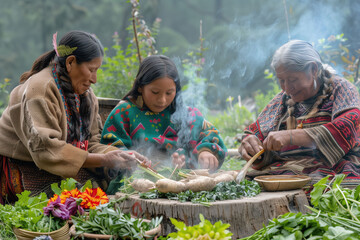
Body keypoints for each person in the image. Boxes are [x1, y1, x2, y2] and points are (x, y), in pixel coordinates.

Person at [0, 30, 146, 204]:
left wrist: (120, 155)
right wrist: (104, 159)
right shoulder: (40, 89)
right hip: (26, 166)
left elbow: (91, 141)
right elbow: (46, 150)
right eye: (91, 70)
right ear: (70, 63)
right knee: (71, 200)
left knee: (102, 189)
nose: (95, 79)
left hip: (60, 164)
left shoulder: (86, 95)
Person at [238, 40, 360, 188]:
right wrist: (250, 144)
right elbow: (255, 133)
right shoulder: (282, 100)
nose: (287, 89)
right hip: (289, 169)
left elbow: (346, 128)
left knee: (330, 185)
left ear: (313, 69)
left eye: (293, 79)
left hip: (335, 167)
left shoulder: (342, 90)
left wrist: (289, 136)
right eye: (281, 80)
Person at [101, 55, 227, 175]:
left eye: (169, 93)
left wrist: (205, 151)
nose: (162, 100)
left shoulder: (186, 115)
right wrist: (135, 162)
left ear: (176, 90)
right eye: (155, 92)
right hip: (136, 182)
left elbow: (211, 135)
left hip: (184, 181)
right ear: (140, 87)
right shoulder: (124, 113)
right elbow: (110, 150)